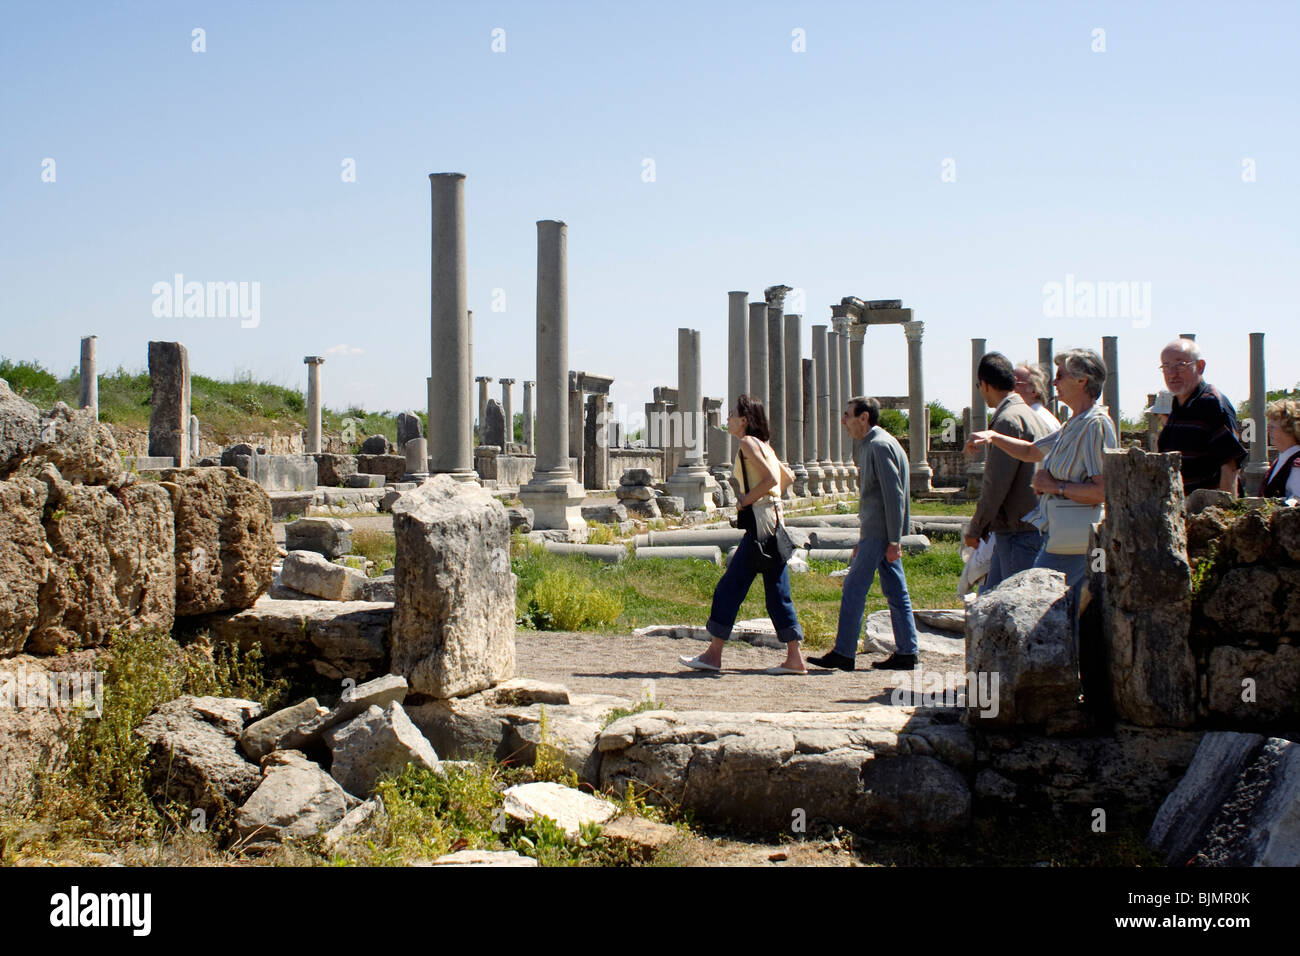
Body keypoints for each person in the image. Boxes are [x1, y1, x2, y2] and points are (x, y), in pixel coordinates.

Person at [968, 348, 1117, 592]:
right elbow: (1030, 451)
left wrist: (1054, 486)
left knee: (1039, 604)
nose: (1054, 383)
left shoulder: (1094, 424)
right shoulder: (1074, 424)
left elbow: (1102, 491)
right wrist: (993, 436)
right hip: (1060, 534)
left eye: (1061, 376)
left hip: (1077, 539)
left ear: (1082, 381)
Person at [678, 394, 807, 675]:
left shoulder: (747, 442)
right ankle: (793, 657)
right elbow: (788, 478)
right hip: (774, 521)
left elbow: (773, 480)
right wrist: (768, 497)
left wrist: (745, 500)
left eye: (732, 415)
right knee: (776, 589)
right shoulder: (765, 445)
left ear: (744, 420)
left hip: (761, 525)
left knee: (730, 587)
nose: (727, 419)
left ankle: (714, 655)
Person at [808, 396, 919, 671]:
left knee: (854, 588)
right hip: (877, 533)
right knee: (896, 591)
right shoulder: (879, 444)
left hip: (880, 535)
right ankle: (907, 652)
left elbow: (893, 496)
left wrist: (893, 540)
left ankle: (844, 652)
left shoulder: (879, 446)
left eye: (847, 415)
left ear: (864, 417)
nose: (844, 421)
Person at [964, 352, 1051, 592]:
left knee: (1016, 608)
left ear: (985, 384)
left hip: (1017, 530)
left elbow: (996, 485)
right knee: (990, 601)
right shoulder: (1033, 416)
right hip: (1032, 524)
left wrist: (976, 528)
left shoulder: (1007, 421)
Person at [1156, 338, 1247, 494]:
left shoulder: (1211, 404)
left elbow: (1230, 466)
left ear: (1200, 366)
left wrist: (1221, 513)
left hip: (1204, 511)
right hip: (1181, 509)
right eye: (1166, 366)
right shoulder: (1178, 405)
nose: (1172, 373)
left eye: (1180, 365)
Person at [1264, 399, 1300, 502]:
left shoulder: (1296, 463)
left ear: (1290, 430)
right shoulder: (1282, 459)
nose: (1268, 430)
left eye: (1272, 427)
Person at [1014, 361, 1062, 433]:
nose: (1010, 388)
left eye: (1016, 384)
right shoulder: (1044, 416)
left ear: (1034, 390)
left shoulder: (1034, 419)